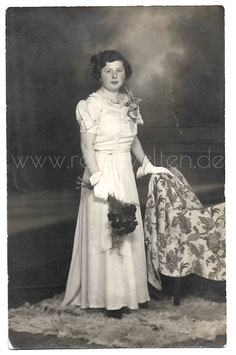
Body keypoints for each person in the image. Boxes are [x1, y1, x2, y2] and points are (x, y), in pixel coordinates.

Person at [61, 50, 173, 319]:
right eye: (108, 70)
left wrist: (146, 164)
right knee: (107, 231)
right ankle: (108, 299)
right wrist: (97, 178)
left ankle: (129, 294)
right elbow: (86, 146)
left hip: (124, 169)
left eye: (119, 70)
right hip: (101, 170)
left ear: (126, 73)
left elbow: (131, 138)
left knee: (128, 227)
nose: (114, 75)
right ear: (99, 74)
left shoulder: (128, 101)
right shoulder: (90, 104)